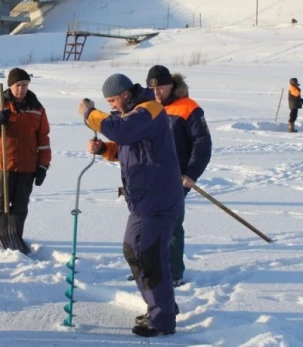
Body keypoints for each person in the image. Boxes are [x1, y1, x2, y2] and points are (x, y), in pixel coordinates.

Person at [79, 73, 183, 337]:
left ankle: (163, 320)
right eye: (107, 102)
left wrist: (90, 113)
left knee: (149, 256)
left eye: (113, 100)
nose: (112, 105)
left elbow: (122, 131)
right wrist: (105, 150)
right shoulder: (135, 114)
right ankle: (161, 305)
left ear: (125, 94)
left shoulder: (148, 109)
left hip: (158, 200)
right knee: (133, 251)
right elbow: (128, 146)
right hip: (143, 201)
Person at [146, 65, 212, 287]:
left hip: (177, 177)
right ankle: (147, 268)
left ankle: (173, 273)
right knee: (146, 223)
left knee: (171, 224)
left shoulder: (188, 108)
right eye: (152, 88)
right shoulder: (147, 107)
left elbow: (202, 144)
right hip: (149, 176)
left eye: (161, 88)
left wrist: (192, 174)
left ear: (171, 86)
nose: (157, 93)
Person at [0, 68, 51, 246]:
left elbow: (43, 139)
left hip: (28, 165)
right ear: (11, 86)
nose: (21, 89)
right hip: (4, 164)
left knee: (20, 207)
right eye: (17, 85)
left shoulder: (37, 109)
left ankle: (14, 237)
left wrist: (43, 165)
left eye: (24, 85)